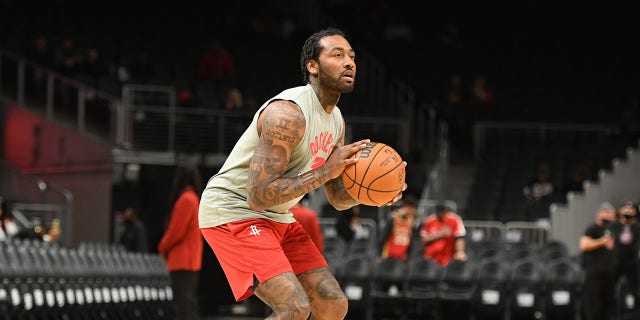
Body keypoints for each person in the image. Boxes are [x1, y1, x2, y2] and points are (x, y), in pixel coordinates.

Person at [198, 27, 407, 319]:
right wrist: (324, 173)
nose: (349, 62)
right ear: (313, 66)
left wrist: (379, 196)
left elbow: (336, 197)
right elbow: (258, 196)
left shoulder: (336, 120)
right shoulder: (288, 113)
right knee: (293, 307)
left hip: (277, 216)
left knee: (333, 305)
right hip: (235, 212)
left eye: (352, 56)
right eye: (337, 55)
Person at [158, 165, 203, 320]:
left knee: (182, 305)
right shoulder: (194, 199)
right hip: (191, 261)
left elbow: (175, 231)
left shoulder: (185, 199)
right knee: (189, 303)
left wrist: (162, 246)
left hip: (182, 261)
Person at [579, 201, 617, 320]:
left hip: (610, 273)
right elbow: (584, 244)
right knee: (593, 305)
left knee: (608, 305)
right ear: (599, 214)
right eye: (605, 212)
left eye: (610, 213)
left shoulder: (614, 229)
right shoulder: (592, 228)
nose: (608, 215)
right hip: (594, 274)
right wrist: (602, 241)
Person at [611, 201, 640, 310]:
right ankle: (612, 311)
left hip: (633, 263)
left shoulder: (638, 227)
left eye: (630, 209)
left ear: (634, 212)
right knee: (612, 287)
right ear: (620, 211)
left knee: (635, 289)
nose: (628, 211)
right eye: (625, 208)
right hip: (616, 262)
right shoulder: (614, 225)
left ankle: (635, 312)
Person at [378, 194, 418, 261]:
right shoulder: (393, 218)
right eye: (412, 209)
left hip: (402, 258)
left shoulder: (411, 221)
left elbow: (411, 240)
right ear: (407, 206)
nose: (414, 212)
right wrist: (379, 254)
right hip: (389, 256)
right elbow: (383, 237)